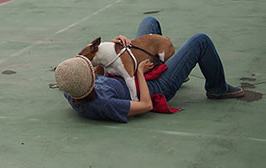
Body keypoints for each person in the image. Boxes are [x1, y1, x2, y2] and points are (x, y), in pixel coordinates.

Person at [54, 17, 245, 123]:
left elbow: (99, 70)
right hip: (154, 86)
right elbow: (145, 105)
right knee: (200, 40)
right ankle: (217, 89)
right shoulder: (103, 104)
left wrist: (114, 48)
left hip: (127, 71)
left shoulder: (72, 88)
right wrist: (138, 71)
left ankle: (172, 65)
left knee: (149, 22)